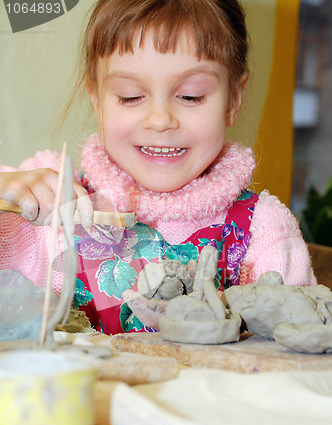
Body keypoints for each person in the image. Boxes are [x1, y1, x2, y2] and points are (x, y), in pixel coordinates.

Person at [0, 0, 316, 335]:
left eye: (191, 97)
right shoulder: (50, 204)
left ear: (233, 100)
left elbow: (299, 356)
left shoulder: (263, 232)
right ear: (97, 98)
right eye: (131, 96)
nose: (161, 120)